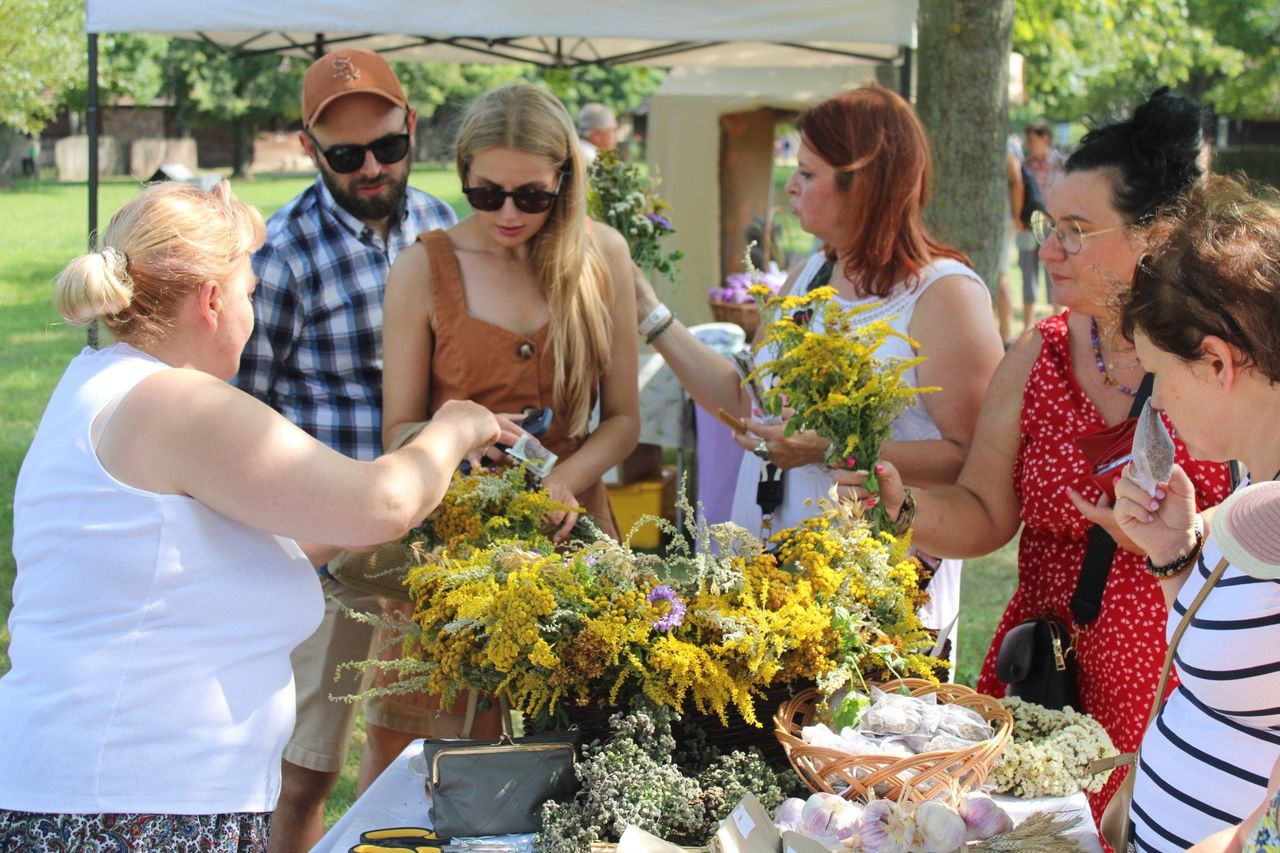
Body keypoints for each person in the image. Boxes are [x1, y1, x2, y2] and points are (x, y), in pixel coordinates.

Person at [0, 182, 510, 852]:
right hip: (133, 808)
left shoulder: (103, 385)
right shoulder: (178, 404)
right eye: (248, 293)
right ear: (212, 301)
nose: (251, 310)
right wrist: (454, 428)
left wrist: (412, 483)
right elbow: (382, 503)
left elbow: (262, 542)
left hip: (114, 796)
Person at [839, 88, 1232, 824]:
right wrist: (905, 508)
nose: (1048, 248)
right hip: (1047, 684)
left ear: (1157, 233)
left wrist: (1176, 543)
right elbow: (987, 511)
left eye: (1077, 230)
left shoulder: (1218, 362)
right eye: (1050, 226)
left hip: (1176, 686)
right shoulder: (1041, 352)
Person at [633, 82, 1005, 664]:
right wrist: (649, 314)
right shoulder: (810, 273)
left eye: (807, 172)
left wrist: (831, 449)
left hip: (872, 590)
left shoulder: (943, 295)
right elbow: (743, 395)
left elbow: (973, 456)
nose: (790, 187)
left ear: (866, 185)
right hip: (768, 562)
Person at [232, 48, 458, 852]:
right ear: (307, 147)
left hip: (433, 548)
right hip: (330, 561)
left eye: (387, 147)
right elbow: (243, 414)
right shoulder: (284, 255)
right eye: (345, 155)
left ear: (412, 128)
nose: (371, 168)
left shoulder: (444, 231)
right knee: (303, 768)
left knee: (410, 748)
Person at [375, 82, 640, 759]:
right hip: (453, 548)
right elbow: (398, 428)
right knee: (433, 762)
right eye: (487, 194)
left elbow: (624, 421)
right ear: (462, 174)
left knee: (586, 758)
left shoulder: (601, 256)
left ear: (564, 181)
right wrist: (460, 439)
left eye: (532, 196)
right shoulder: (421, 269)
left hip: (572, 530)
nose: (509, 213)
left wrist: (564, 481)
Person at [1112, 176, 1280, 851]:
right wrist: (1175, 553)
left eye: (1158, 372)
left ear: (1216, 361)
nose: (1156, 401)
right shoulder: (1255, 488)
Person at [1019, 120, 1065, 329]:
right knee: (1027, 270)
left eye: (1032, 139)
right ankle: (1029, 323)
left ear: (1045, 137)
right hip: (1030, 226)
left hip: (1054, 226)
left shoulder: (1063, 164)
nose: (1029, 143)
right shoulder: (1026, 165)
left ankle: (1057, 320)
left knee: (1054, 271)